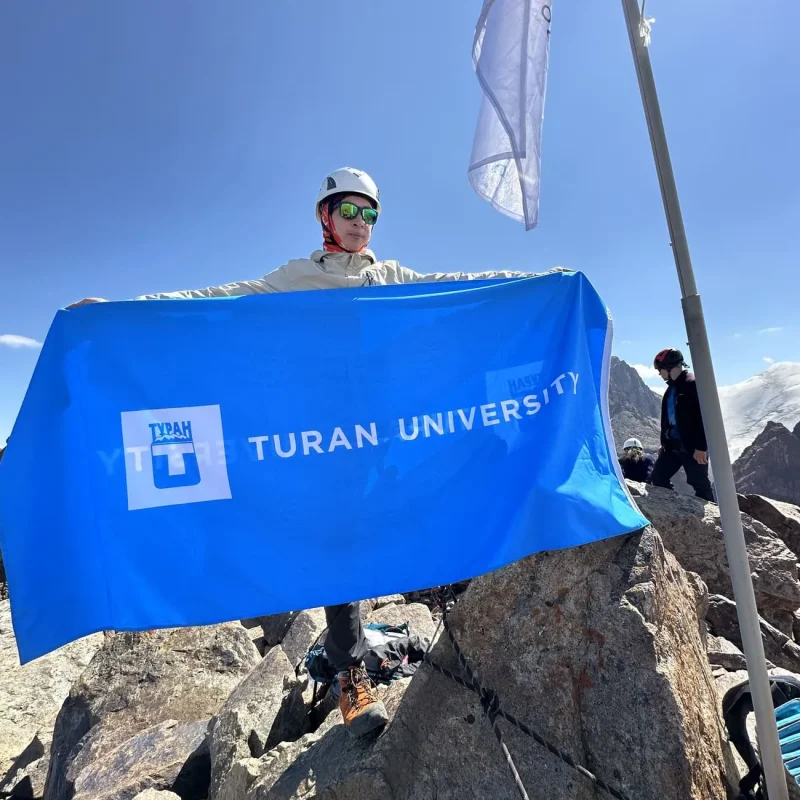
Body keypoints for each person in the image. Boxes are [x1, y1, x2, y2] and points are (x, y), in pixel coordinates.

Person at [67, 166, 563, 738]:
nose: (360, 223)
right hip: (322, 436)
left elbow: (460, 289)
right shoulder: (298, 277)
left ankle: (442, 616)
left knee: (431, 502)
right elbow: (219, 301)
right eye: (348, 211)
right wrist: (121, 313)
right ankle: (350, 670)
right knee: (341, 539)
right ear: (326, 217)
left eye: (369, 213)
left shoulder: (390, 277)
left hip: (390, 428)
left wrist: (536, 285)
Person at [649, 348, 714, 502]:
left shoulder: (692, 384)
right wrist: (664, 443)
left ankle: (715, 519)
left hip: (692, 447)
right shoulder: (671, 389)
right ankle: (671, 508)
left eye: (660, 370)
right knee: (658, 477)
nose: (660, 374)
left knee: (700, 484)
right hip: (672, 445)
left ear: (668, 368)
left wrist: (701, 447)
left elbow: (703, 417)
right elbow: (668, 420)